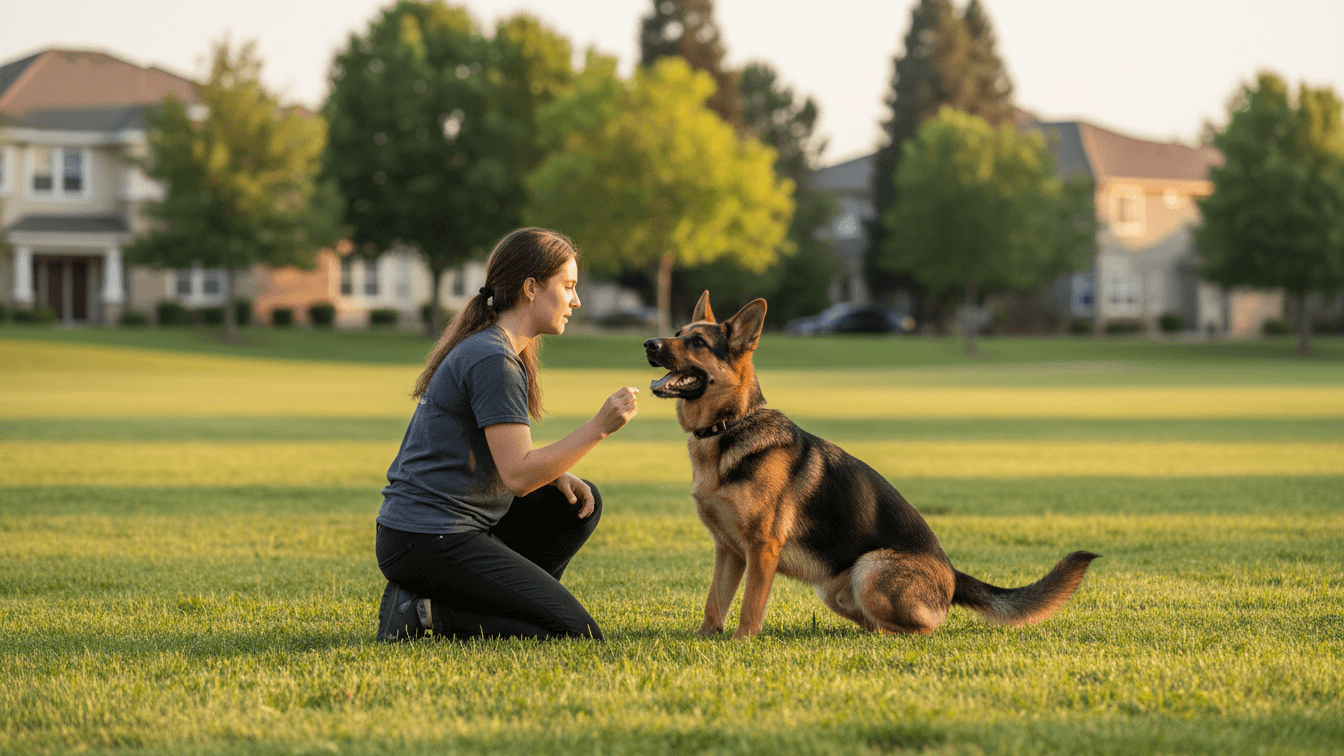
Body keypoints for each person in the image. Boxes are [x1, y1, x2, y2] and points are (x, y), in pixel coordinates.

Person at [374, 228, 638, 641]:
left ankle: (501, 604)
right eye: (568, 286)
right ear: (531, 288)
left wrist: (555, 472)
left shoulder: (496, 348)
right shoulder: (493, 358)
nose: (576, 301)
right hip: (426, 537)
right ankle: (424, 611)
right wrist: (599, 427)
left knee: (574, 505)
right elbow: (518, 476)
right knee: (575, 633)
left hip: (438, 532)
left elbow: (507, 462)